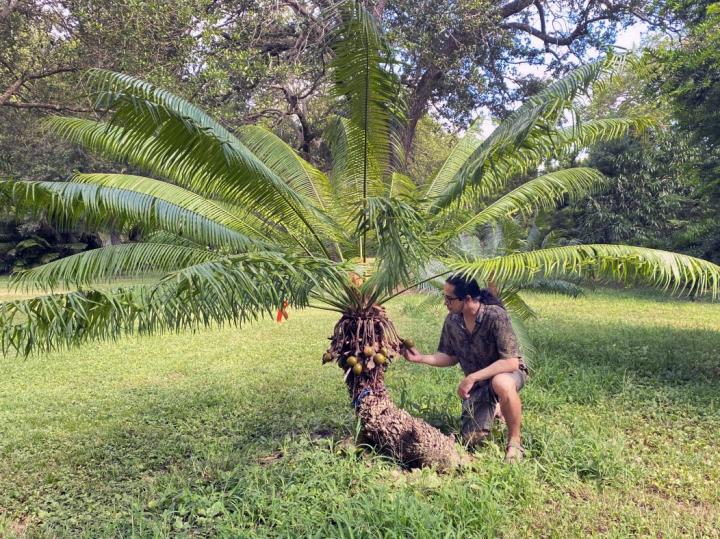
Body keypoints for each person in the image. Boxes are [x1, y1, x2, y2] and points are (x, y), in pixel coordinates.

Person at [402, 274, 528, 463]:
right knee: (472, 440)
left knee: (501, 382)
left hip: (508, 373)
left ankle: (514, 443)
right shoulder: (453, 321)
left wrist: (472, 378)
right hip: (480, 384)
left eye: (449, 299)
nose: (445, 303)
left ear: (468, 299)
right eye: (444, 297)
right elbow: (450, 356)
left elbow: (511, 362)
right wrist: (420, 358)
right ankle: (497, 410)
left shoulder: (495, 316)